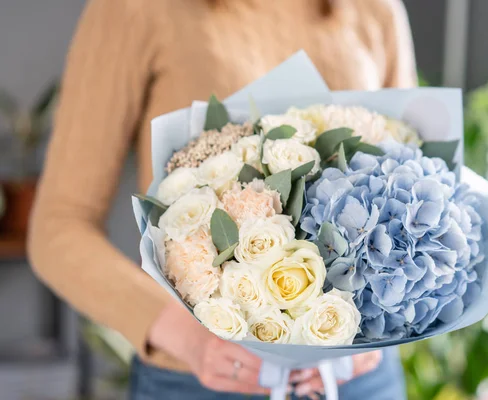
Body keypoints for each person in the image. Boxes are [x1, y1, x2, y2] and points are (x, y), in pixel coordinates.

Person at [28, 0, 417, 398]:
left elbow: (415, 182)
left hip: (360, 378)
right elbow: (59, 226)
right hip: (199, 378)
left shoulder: (376, 9)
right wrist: (187, 338)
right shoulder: (137, 9)